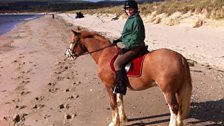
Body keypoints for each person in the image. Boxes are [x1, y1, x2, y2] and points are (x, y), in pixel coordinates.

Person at [113, 0, 146, 95]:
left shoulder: (136, 20)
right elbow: (127, 34)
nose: (128, 11)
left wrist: (127, 48)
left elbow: (137, 37)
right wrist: (119, 40)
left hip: (136, 46)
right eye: (127, 9)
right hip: (130, 44)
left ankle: (121, 87)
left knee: (117, 64)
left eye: (130, 9)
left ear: (135, 9)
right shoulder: (130, 18)